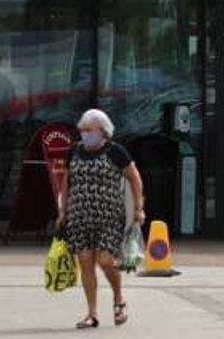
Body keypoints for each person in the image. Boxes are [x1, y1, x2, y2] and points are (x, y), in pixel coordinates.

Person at [56, 109, 145, 330]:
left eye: (89, 130)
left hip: (109, 217)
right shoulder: (74, 151)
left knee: (105, 261)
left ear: (103, 131)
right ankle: (91, 313)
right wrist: (62, 210)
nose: (84, 134)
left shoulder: (115, 151)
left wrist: (138, 208)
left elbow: (135, 178)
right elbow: (66, 181)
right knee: (85, 263)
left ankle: (118, 298)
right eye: (82, 129)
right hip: (79, 216)